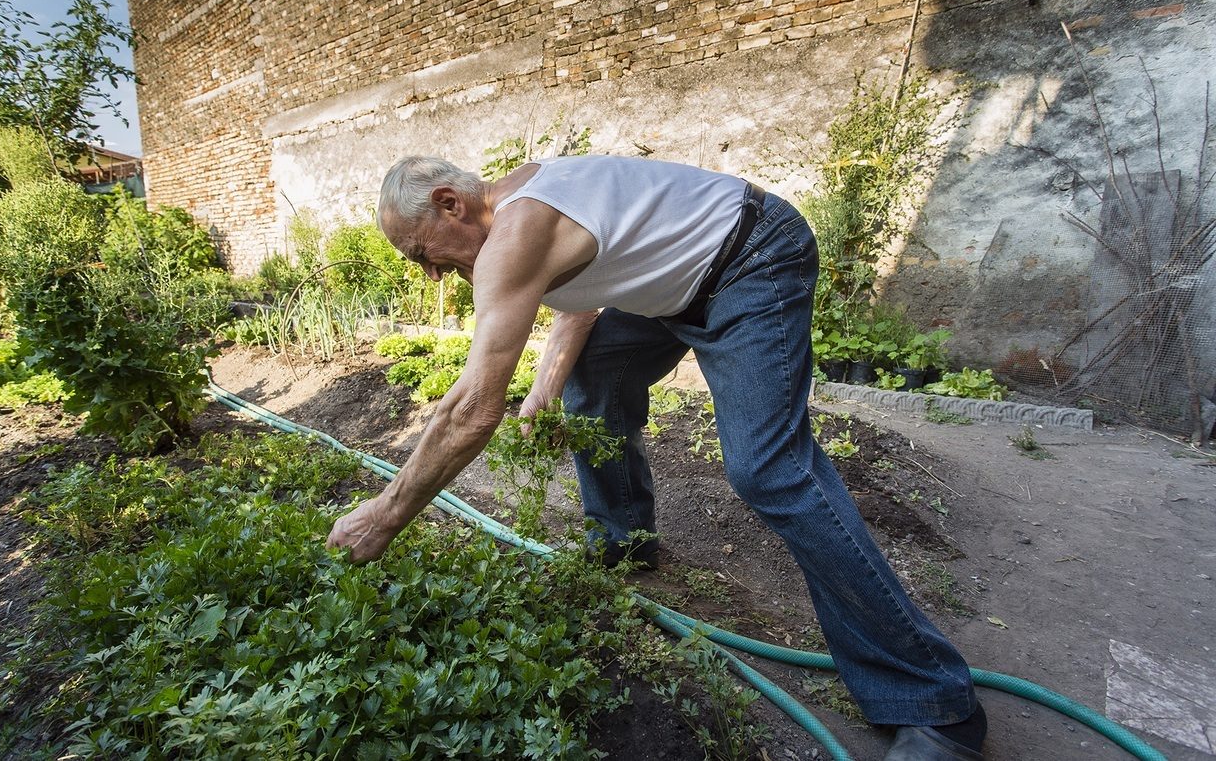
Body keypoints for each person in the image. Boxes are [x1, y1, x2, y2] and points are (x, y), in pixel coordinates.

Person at [327, 154, 988, 761]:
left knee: (770, 470)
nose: (433, 274)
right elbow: (580, 308)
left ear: (450, 204)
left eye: (422, 255)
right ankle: (622, 541)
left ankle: (936, 703)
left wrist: (386, 514)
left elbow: (471, 406)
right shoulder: (525, 193)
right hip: (678, 287)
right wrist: (546, 390)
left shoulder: (514, 234)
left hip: (751, 256)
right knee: (596, 371)